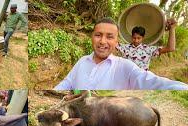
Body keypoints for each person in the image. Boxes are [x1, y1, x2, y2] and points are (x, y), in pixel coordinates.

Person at [55, 17, 188, 90]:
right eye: (98, 35)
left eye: (109, 36)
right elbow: (66, 83)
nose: (102, 41)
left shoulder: (147, 51)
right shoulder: (82, 62)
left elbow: (155, 80)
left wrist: (172, 29)